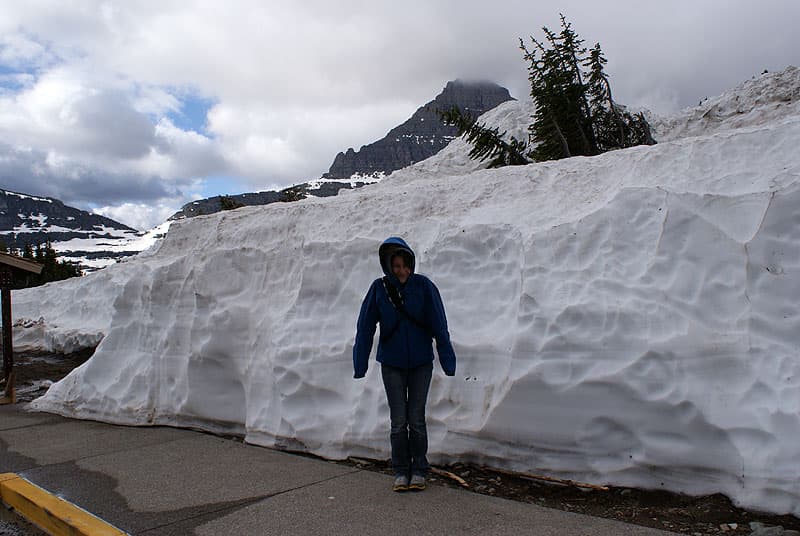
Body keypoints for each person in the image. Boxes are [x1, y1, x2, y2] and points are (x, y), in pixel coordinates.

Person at [353, 237, 456, 492]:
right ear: (388, 265)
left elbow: (439, 325)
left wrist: (448, 360)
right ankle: (401, 470)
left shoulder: (424, 287)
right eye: (396, 265)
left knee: (416, 419)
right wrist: (360, 363)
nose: (402, 270)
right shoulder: (379, 289)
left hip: (421, 363)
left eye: (405, 265)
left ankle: (419, 469)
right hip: (392, 363)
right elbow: (365, 328)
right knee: (399, 420)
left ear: (411, 264)